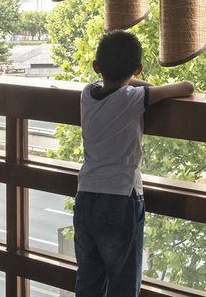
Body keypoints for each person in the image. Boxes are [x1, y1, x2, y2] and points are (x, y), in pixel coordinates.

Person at [73, 30, 194, 297]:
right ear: (137, 69)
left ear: (96, 67)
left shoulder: (86, 94)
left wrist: (131, 83)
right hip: (120, 199)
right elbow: (186, 87)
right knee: (123, 285)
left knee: (88, 281)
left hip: (86, 197)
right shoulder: (131, 99)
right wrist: (139, 82)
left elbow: (127, 87)